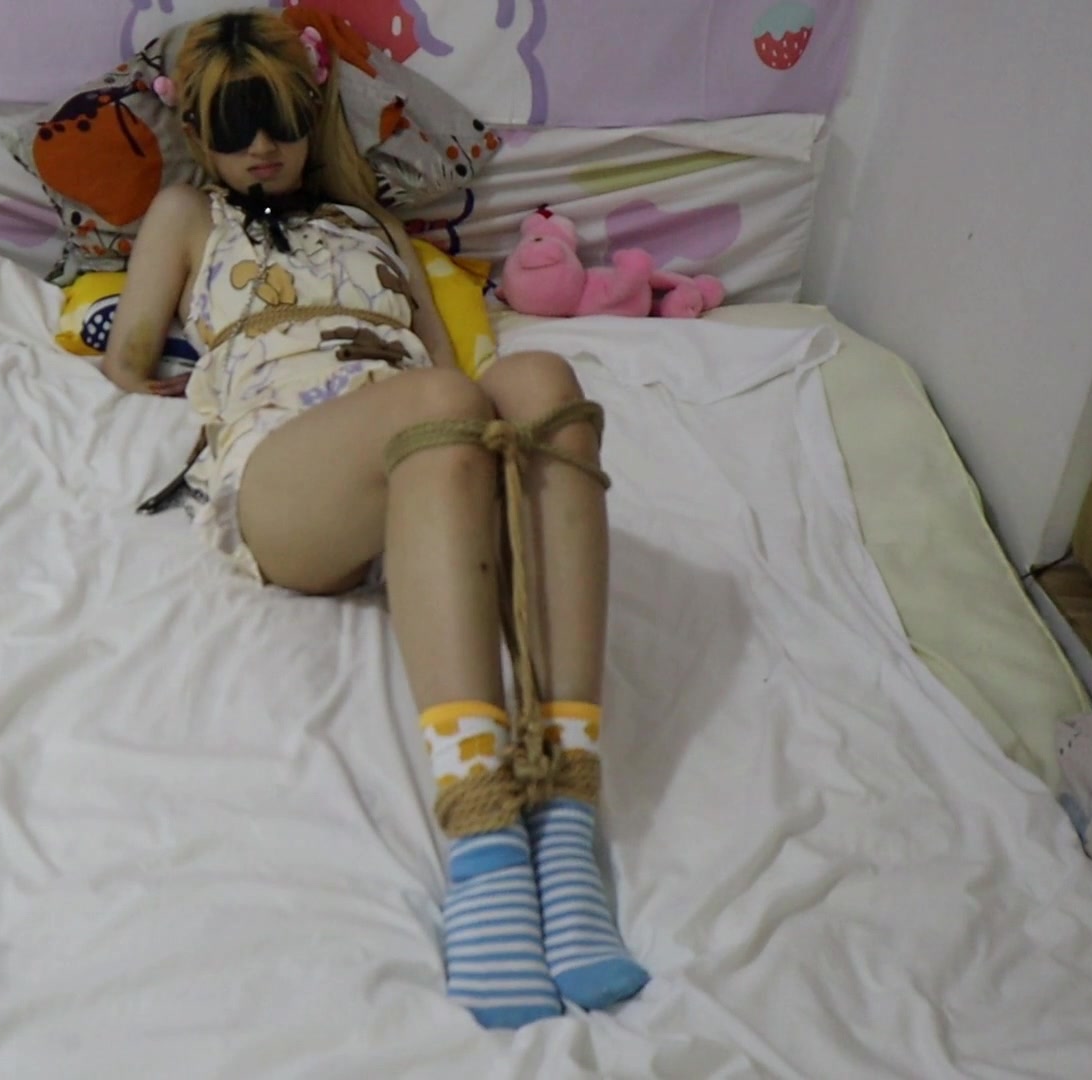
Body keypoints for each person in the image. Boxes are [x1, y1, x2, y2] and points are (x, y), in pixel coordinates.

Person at [101, 10, 647, 1029]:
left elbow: (444, 357)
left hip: (427, 445)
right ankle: (483, 837)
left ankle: (565, 812)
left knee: (539, 377)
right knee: (436, 403)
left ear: (312, 117)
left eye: (279, 120)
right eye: (234, 129)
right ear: (199, 138)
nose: (262, 147)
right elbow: (131, 352)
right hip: (292, 469)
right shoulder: (187, 212)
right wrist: (182, 381)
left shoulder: (375, 225)